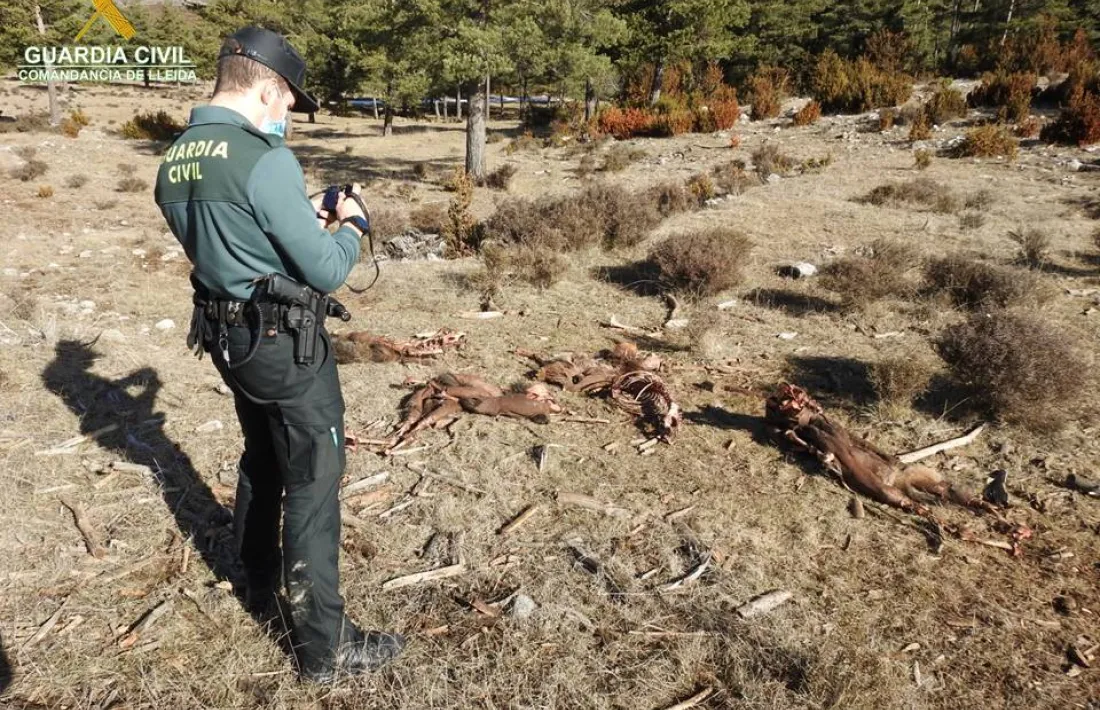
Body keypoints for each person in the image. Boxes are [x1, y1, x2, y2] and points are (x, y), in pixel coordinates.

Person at [153, 26, 404, 684]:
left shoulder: (179, 156)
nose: (290, 111)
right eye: (289, 98)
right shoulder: (263, 157)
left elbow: (232, 235)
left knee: (263, 456)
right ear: (265, 87)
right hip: (284, 344)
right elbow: (322, 269)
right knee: (315, 481)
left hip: (226, 336)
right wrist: (349, 224)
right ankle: (324, 646)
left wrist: (303, 209)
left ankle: (257, 575)